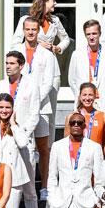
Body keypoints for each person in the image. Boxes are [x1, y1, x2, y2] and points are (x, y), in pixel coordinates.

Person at [0, 52, 43, 208]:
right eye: (6, 63)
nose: (8, 66)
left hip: (25, 139)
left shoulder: (31, 85)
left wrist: (22, 133)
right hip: (4, 139)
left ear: (21, 66)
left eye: (12, 63)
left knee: (29, 186)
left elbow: (34, 113)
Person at [17, 16, 61, 191]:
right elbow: (12, 77)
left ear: (38, 32)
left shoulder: (47, 55)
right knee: (23, 146)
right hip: (21, 108)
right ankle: (23, 185)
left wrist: (34, 101)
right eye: (27, 29)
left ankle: (44, 187)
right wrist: (24, 102)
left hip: (42, 107)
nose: (30, 32)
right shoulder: (16, 50)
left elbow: (48, 83)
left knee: (43, 148)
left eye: (34, 29)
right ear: (23, 30)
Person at [69, 19, 105, 120]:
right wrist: (82, 96)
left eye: (94, 33)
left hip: (104, 102)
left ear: (100, 34)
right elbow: (72, 80)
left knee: (103, 134)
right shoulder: (77, 54)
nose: (91, 37)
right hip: (84, 103)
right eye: (88, 34)